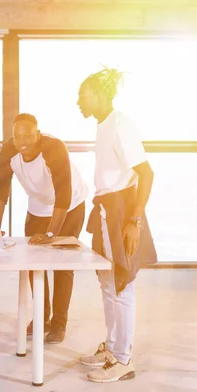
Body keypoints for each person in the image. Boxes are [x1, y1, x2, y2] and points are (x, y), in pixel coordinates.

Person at [76, 67, 156, 383]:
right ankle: (111, 348)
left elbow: (146, 173)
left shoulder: (120, 124)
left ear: (100, 95)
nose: (78, 102)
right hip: (107, 209)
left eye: (82, 96)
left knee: (122, 284)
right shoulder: (103, 125)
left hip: (121, 211)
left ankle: (123, 359)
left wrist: (134, 221)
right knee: (107, 283)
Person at [0, 113, 88, 344]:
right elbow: (0, 190)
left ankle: (59, 323)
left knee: (62, 266)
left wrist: (51, 235)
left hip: (70, 206)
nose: (22, 140)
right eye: (17, 136)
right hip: (37, 207)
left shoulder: (53, 148)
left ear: (38, 133)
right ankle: (41, 316)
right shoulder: (9, 151)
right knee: (35, 263)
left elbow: (63, 194)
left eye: (28, 135)